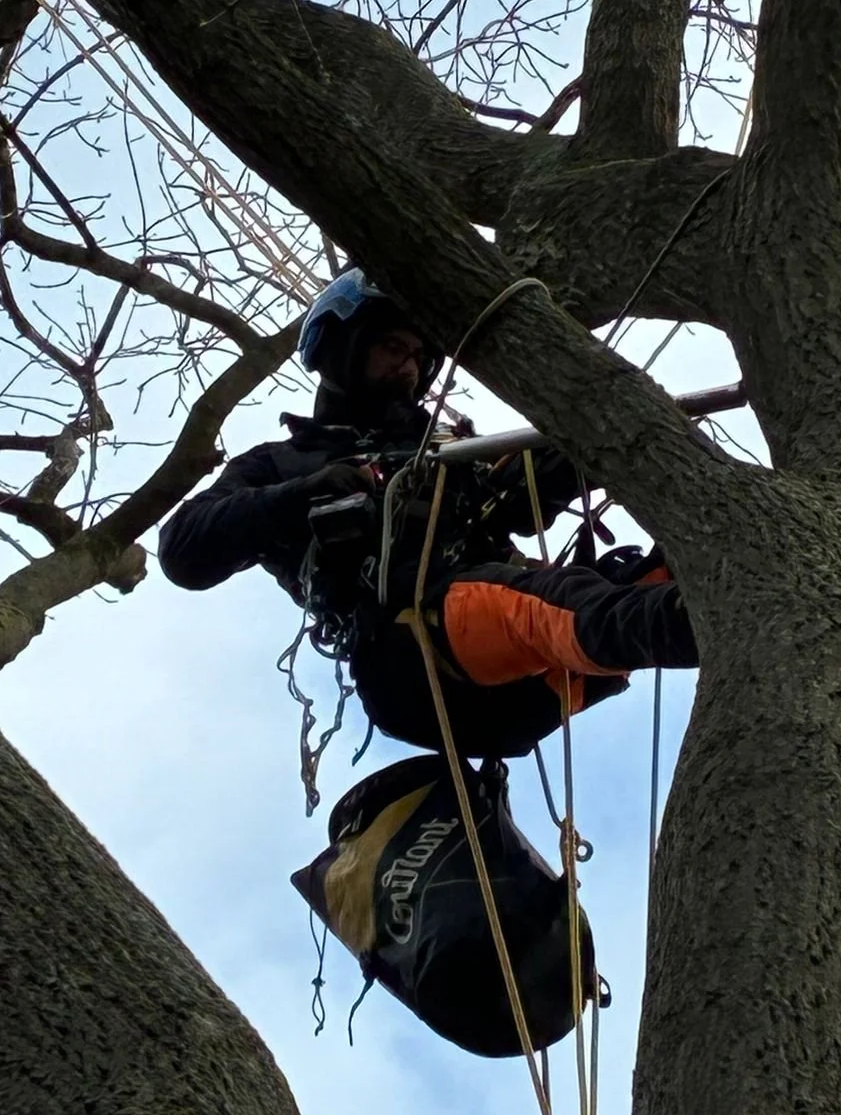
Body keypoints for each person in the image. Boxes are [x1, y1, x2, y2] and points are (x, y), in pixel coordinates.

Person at [157, 269, 698, 758]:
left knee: (651, 579)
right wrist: (301, 495)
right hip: (409, 658)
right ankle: (702, 627)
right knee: (557, 606)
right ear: (344, 346)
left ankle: (731, 597)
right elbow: (183, 551)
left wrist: (606, 436)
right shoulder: (281, 462)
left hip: (519, 679)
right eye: (394, 348)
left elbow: (517, 493)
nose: (410, 370)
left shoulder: (445, 446)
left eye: (420, 357)